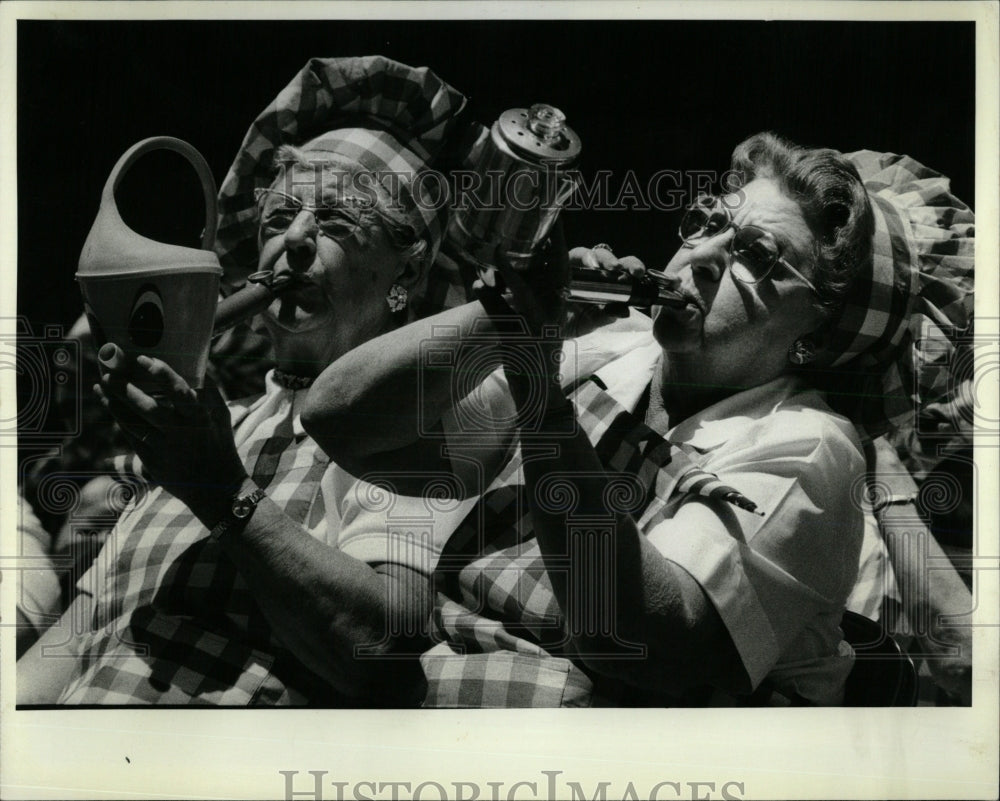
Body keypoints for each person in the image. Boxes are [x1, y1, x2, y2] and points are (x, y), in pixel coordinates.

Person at [303, 132, 972, 706]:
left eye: (758, 256)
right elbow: (344, 420)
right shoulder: (613, 348)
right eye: (710, 223)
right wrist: (507, 315)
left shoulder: (808, 444)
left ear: (815, 337)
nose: (704, 256)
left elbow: (627, 634)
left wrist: (536, 381)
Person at [16, 55, 475, 705]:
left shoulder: (417, 422)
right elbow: (71, 644)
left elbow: (378, 651)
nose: (293, 241)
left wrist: (220, 489)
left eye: (337, 222)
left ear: (405, 278)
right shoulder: (206, 422)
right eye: (278, 216)